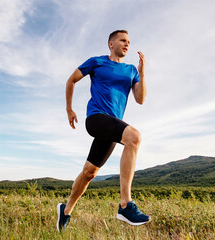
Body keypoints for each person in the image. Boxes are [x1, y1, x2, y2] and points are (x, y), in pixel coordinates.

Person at [57, 30, 150, 232]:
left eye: (129, 42)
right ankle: (125, 205)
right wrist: (69, 109)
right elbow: (71, 80)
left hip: (112, 125)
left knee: (90, 172)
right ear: (111, 43)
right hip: (96, 118)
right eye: (123, 40)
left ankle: (66, 210)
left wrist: (142, 74)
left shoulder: (131, 70)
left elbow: (140, 99)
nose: (127, 44)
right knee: (134, 137)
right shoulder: (97, 62)